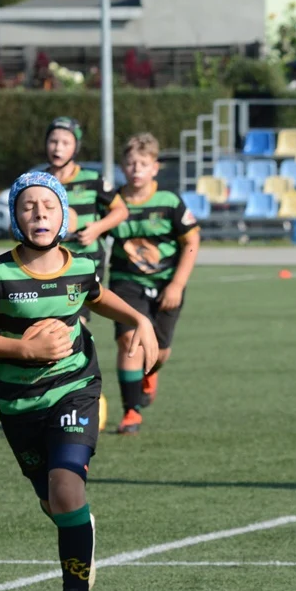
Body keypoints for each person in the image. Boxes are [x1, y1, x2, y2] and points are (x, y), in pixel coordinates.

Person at [0, 171, 157, 591]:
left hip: (76, 390)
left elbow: (98, 298)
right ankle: (80, 531)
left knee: (66, 486)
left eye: (48, 205)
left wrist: (137, 318)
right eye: (28, 206)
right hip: (17, 403)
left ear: (64, 214)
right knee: (53, 502)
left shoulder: (80, 267)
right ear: (15, 216)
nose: (39, 213)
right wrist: (23, 351)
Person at [109, 133, 201, 435]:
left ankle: (149, 374)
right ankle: (131, 413)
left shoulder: (170, 202)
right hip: (126, 282)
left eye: (143, 163)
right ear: (123, 166)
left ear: (155, 168)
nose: (136, 168)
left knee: (158, 353)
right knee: (130, 340)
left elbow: (191, 240)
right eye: (131, 163)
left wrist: (177, 284)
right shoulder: (113, 202)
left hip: (166, 285)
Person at [44, 116, 129, 278]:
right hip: (50, 264)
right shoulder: (39, 182)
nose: (57, 148)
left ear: (76, 147)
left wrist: (97, 228)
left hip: (88, 262)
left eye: (65, 143)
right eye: (53, 141)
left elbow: (121, 211)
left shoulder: (92, 180)